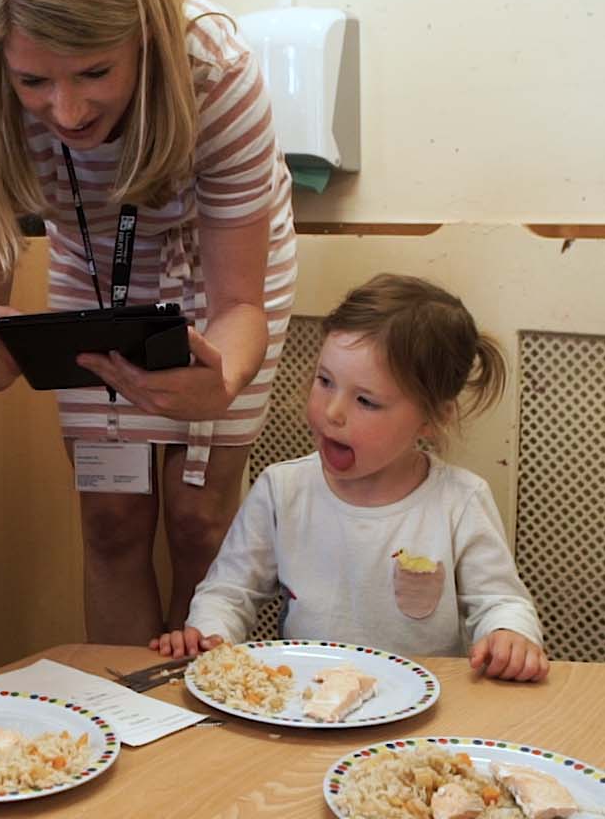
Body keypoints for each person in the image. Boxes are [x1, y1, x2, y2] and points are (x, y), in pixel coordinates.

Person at [0, 0, 297, 644]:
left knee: (200, 520)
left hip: (219, 264)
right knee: (110, 518)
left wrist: (223, 379)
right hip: (96, 260)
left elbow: (240, 305)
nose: (67, 113)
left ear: (143, 34)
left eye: (95, 72)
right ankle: (125, 706)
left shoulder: (216, 75)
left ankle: (200, 710)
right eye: (34, 81)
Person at [152, 274, 548, 682]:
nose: (333, 412)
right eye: (325, 381)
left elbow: (500, 601)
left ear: (432, 418)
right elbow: (229, 592)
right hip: (306, 698)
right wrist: (210, 635)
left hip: (422, 705)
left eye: (365, 401)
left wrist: (510, 635)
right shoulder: (282, 490)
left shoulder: (460, 500)